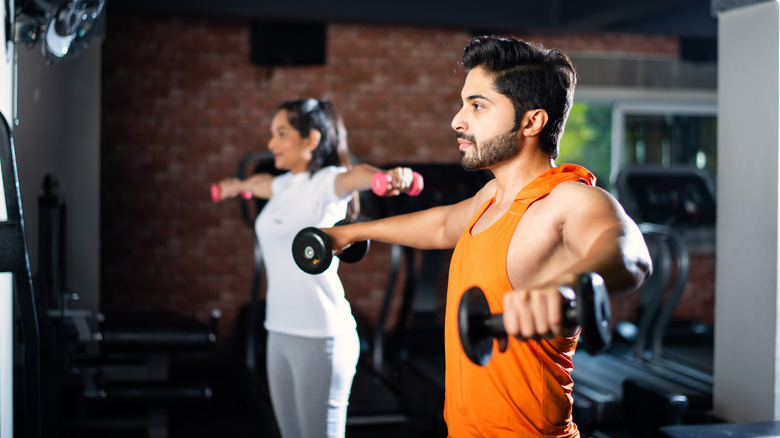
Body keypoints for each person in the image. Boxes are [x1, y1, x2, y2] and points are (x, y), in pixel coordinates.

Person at [323, 36, 652, 437]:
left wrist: (564, 290)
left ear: (532, 121)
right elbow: (442, 225)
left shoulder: (568, 198)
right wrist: (351, 232)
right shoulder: (493, 195)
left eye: (477, 106)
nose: (457, 120)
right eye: (464, 104)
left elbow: (630, 255)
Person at [213, 98, 418, 438]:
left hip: (321, 336)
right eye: (272, 134)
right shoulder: (284, 185)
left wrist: (387, 177)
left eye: (281, 134)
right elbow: (262, 183)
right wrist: (237, 187)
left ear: (311, 139)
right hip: (278, 331)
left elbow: (356, 175)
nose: (271, 144)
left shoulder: (328, 182)